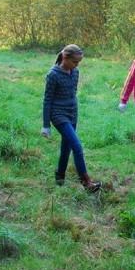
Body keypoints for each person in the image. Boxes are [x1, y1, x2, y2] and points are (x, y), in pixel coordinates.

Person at [41, 44, 101, 192]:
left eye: (79, 62)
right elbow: (47, 100)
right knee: (77, 146)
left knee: (66, 147)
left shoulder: (75, 72)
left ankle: (60, 177)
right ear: (65, 58)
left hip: (72, 112)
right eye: (74, 62)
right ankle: (86, 182)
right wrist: (46, 125)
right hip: (58, 114)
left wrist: (73, 107)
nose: (77, 65)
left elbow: (72, 93)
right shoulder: (53, 75)